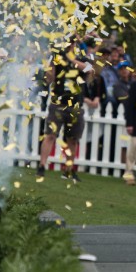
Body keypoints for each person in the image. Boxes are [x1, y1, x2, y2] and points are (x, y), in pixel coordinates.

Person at [37, 39, 93, 181]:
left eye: (72, 43)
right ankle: (42, 165)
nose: (70, 45)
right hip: (58, 103)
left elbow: (89, 70)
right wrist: (51, 63)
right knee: (50, 135)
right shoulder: (58, 57)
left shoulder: (81, 57)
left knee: (72, 139)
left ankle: (68, 169)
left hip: (75, 104)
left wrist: (71, 60)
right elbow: (49, 78)